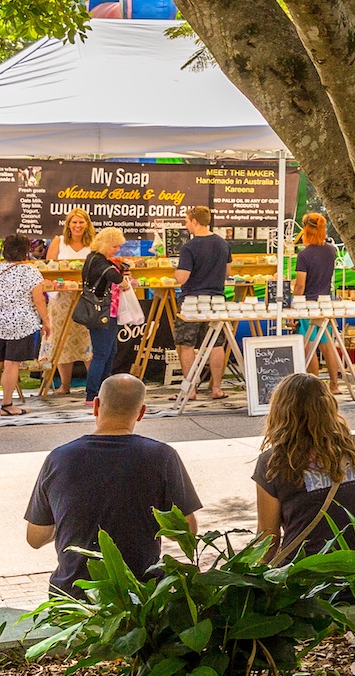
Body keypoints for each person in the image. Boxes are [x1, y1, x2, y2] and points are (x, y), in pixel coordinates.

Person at [24, 373, 201, 595]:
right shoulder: (162, 457)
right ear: (141, 413)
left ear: (96, 406)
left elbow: (35, 537)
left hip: (74, 597)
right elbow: (186, 533)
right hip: (140, 595)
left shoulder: (58, 458)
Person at [252, 371, 355, 557]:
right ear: (328, 406)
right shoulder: (353, 447)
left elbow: (268, 540)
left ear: (280, 411)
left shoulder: (273, 462)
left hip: (306, 573)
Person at [0, 232, 48, 416]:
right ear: (25, 252)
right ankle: (7, 405)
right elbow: (39, 300)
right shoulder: (31, 272)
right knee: (11, 364)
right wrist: (46, 322)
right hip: (20, 323)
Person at [172, 206, 234, 403]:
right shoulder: (223, 244)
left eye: (186, 221)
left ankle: (190, 389)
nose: (185, 224)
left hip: (191, 301)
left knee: (186, 344)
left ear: (194, 222)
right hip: (216, 299)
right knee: (216, 344)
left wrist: (175, 271)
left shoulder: (189, 247)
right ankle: (216, 387)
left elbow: (182, 278)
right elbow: (228, 272)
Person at [294, 213, 354, 398]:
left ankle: (314, 384)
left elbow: (300, 285)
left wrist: (294, 304)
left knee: (309, 344)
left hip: (308, 304)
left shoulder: (303, 255)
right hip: (326, 302)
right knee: (327, 345)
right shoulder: (330, 250)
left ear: (305, 229)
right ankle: (334, 384)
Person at [40, 208, 96, 399]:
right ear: (68, 225)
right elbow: (49, 268)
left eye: (81, 222)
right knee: (61, 339)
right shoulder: (59, 242)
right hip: (61, 299)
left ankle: (94, 385)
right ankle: (64, 384)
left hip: (87, 298)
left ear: (87, 224)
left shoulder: (94, 244)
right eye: (74, 222)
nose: (78, 226)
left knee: (88, 338)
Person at [76, 226, 129, 406]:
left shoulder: (96, 259)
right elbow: (115, 278)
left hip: (107, 312)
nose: (117, 250)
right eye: (115, 246)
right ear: (105, 244)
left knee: (110, 352)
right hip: (102, 313)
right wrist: (124, 281)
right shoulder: (98, 261)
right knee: (101, 354)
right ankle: (92, 394)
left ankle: (102, 390)